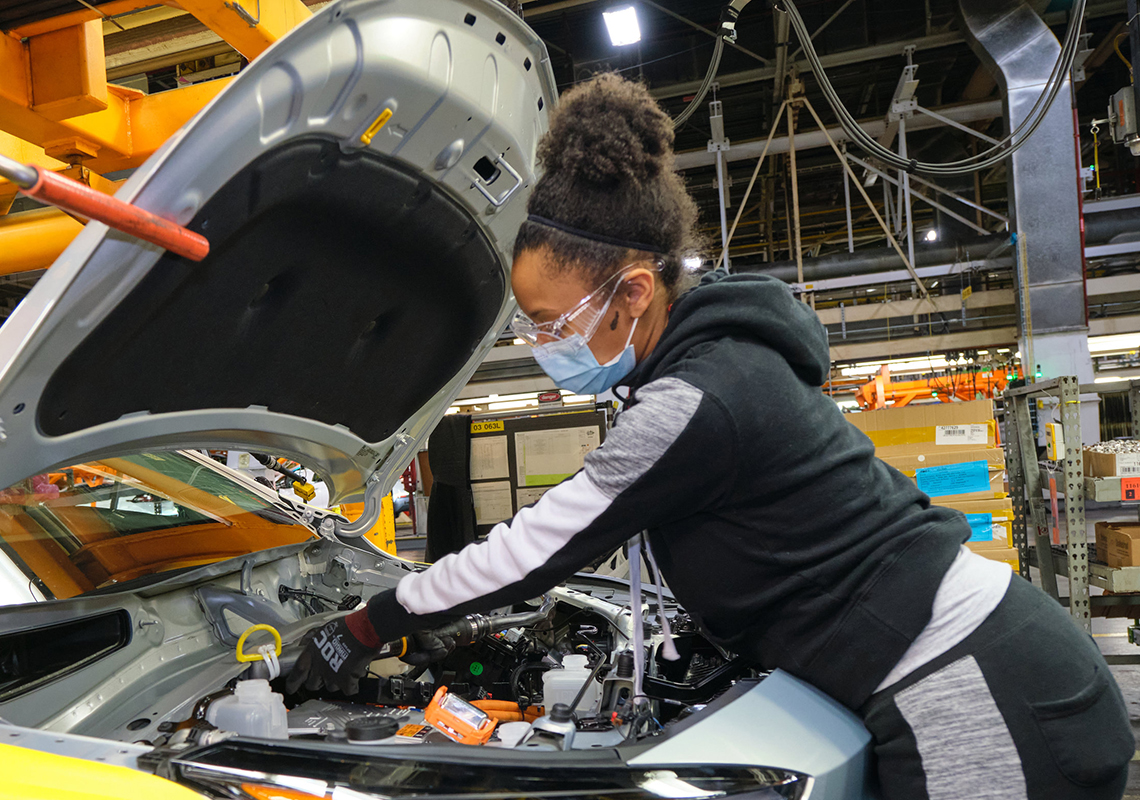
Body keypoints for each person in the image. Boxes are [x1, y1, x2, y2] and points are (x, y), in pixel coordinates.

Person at [287, 74, 1132, 799]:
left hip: (975, 687)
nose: (537, 344)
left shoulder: (701, 398)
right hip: (964, 668)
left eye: (548, 323)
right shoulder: (710, 366)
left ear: (633, 293)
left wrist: (369, 622)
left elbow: (536, 547)